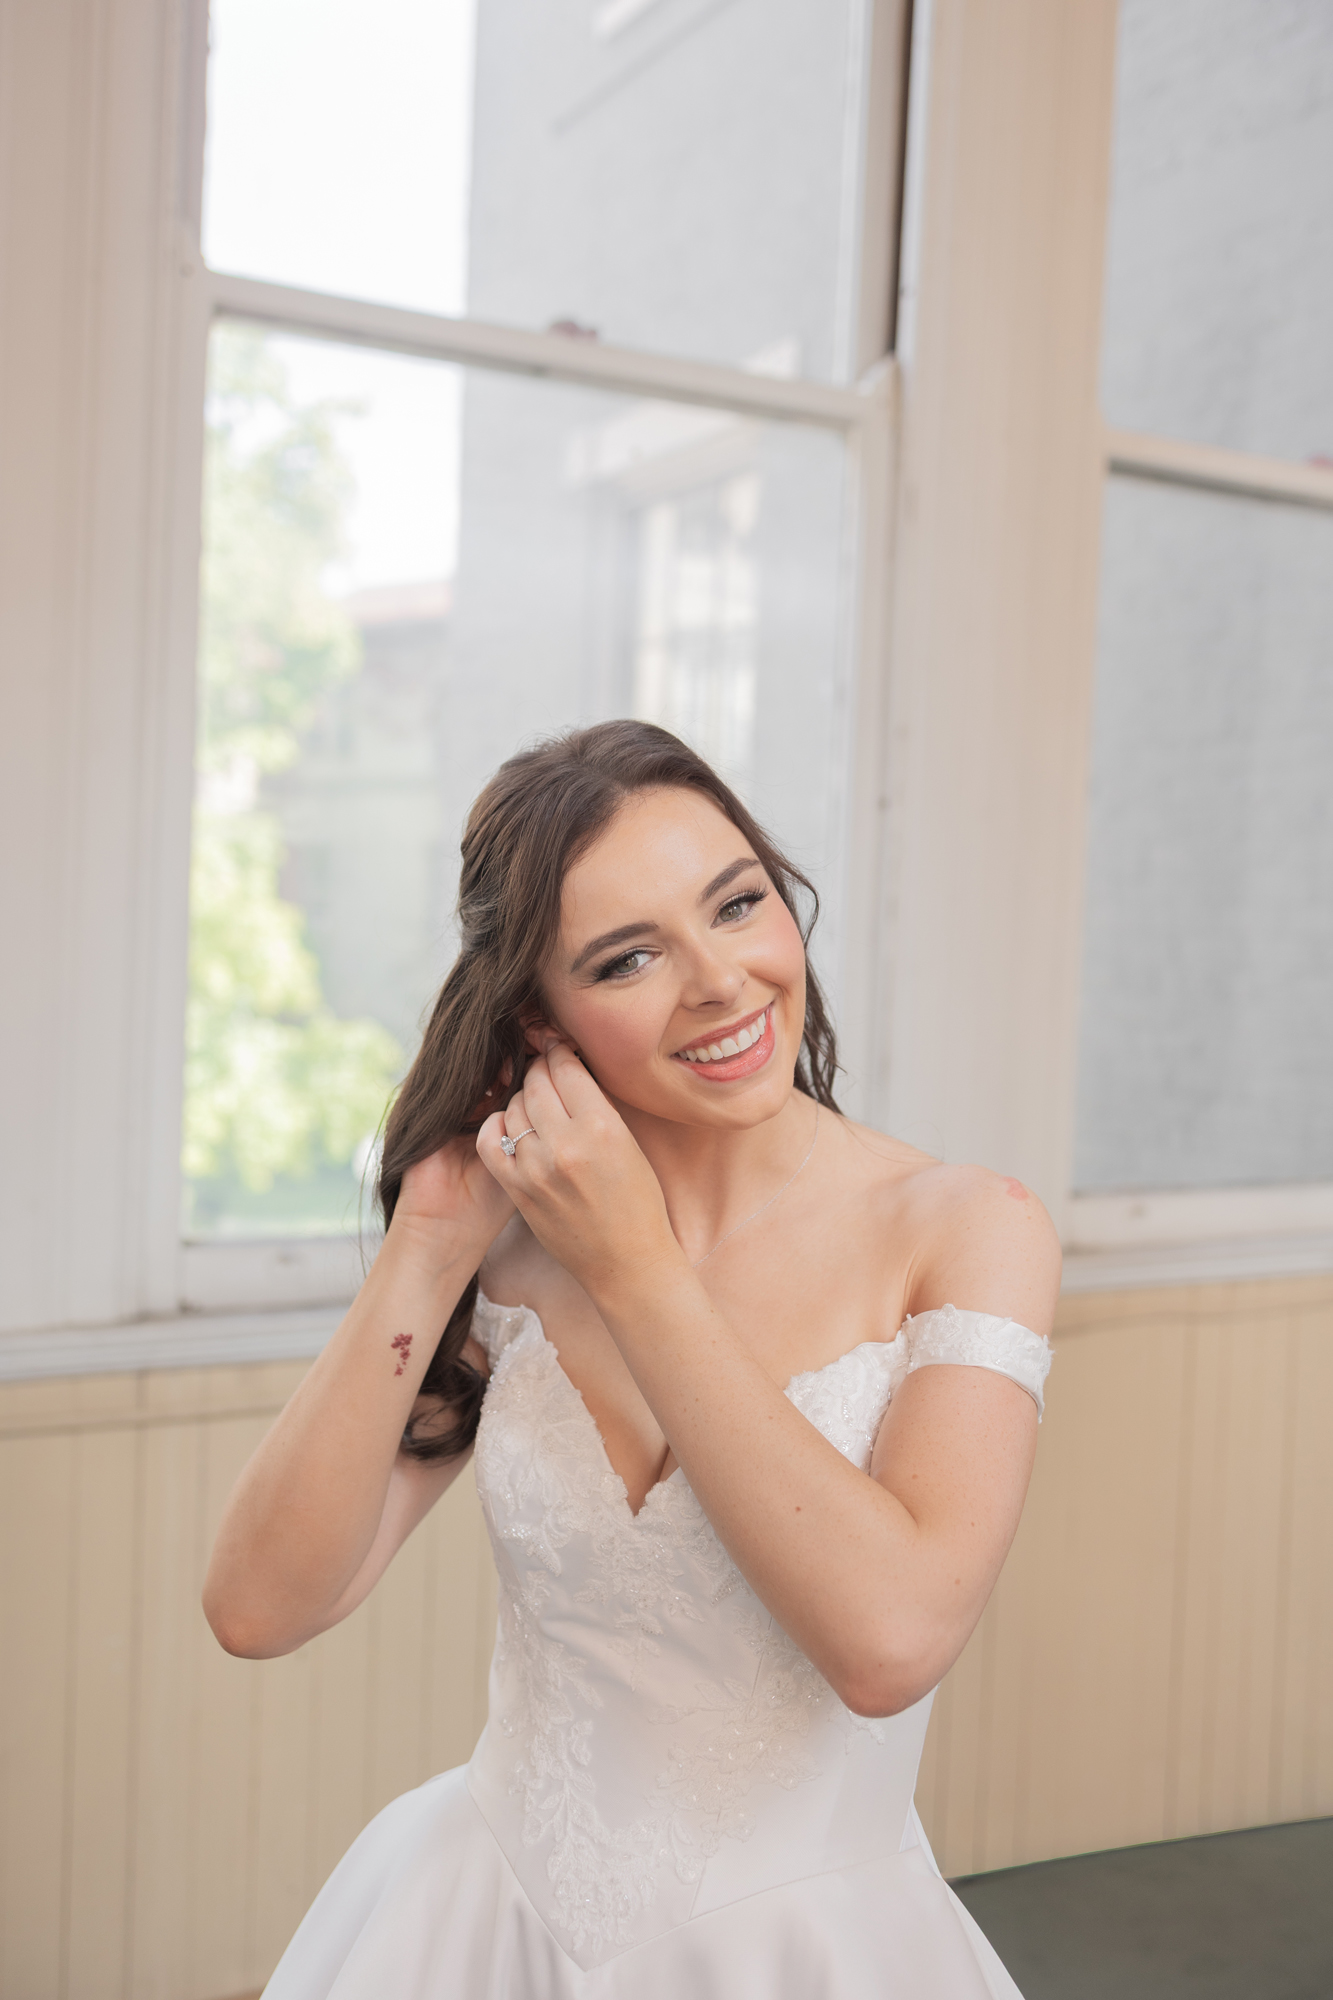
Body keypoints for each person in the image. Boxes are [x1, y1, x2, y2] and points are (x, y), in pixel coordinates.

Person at [204, 720, 1060, 1998]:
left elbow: (887, 1641)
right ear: (536, 1016)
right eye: (628, 957)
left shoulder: (967, 1227)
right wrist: (428, 1247)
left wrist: (633, 1266)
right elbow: (258, 1607)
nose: (720, 980)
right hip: (480, 1925)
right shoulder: (510, 1249)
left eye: (738, 903)